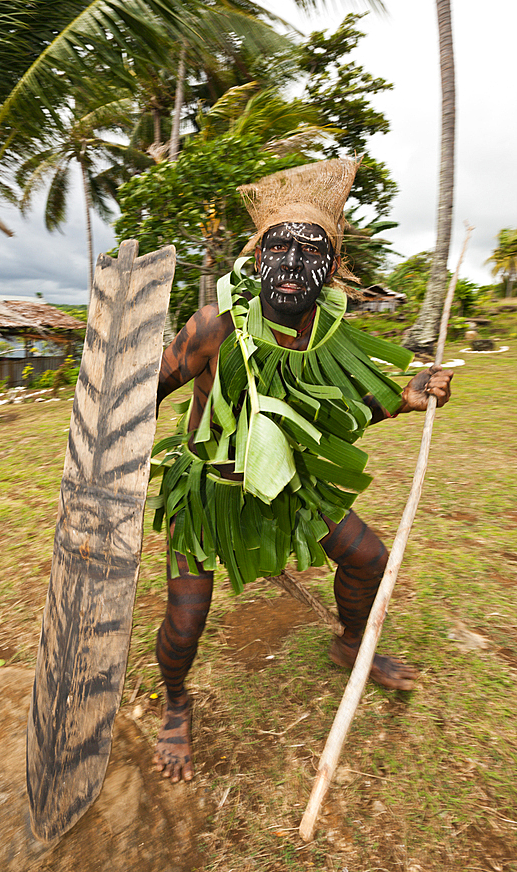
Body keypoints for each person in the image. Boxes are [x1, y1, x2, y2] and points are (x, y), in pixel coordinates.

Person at [150, 158, 453, 783]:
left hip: (289, 484)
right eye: (277, 247)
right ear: (255, 257)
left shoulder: (329, 338)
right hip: (210, 492)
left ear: (334, 270)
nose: (291, 264)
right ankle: (175, 704)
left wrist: (410, 393)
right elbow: (140, 397)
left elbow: (341, 414)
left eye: (309, 250)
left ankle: (349, 643)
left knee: (367, 557)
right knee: (185, 623)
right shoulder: (214, 328)